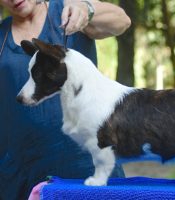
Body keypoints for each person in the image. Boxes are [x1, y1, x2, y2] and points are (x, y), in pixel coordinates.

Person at [0, 0, 131, 199]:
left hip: (83, 165)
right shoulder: (2, 36)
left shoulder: (67, 9)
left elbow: (122, 21)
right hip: (20, 174)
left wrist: (88, 10)